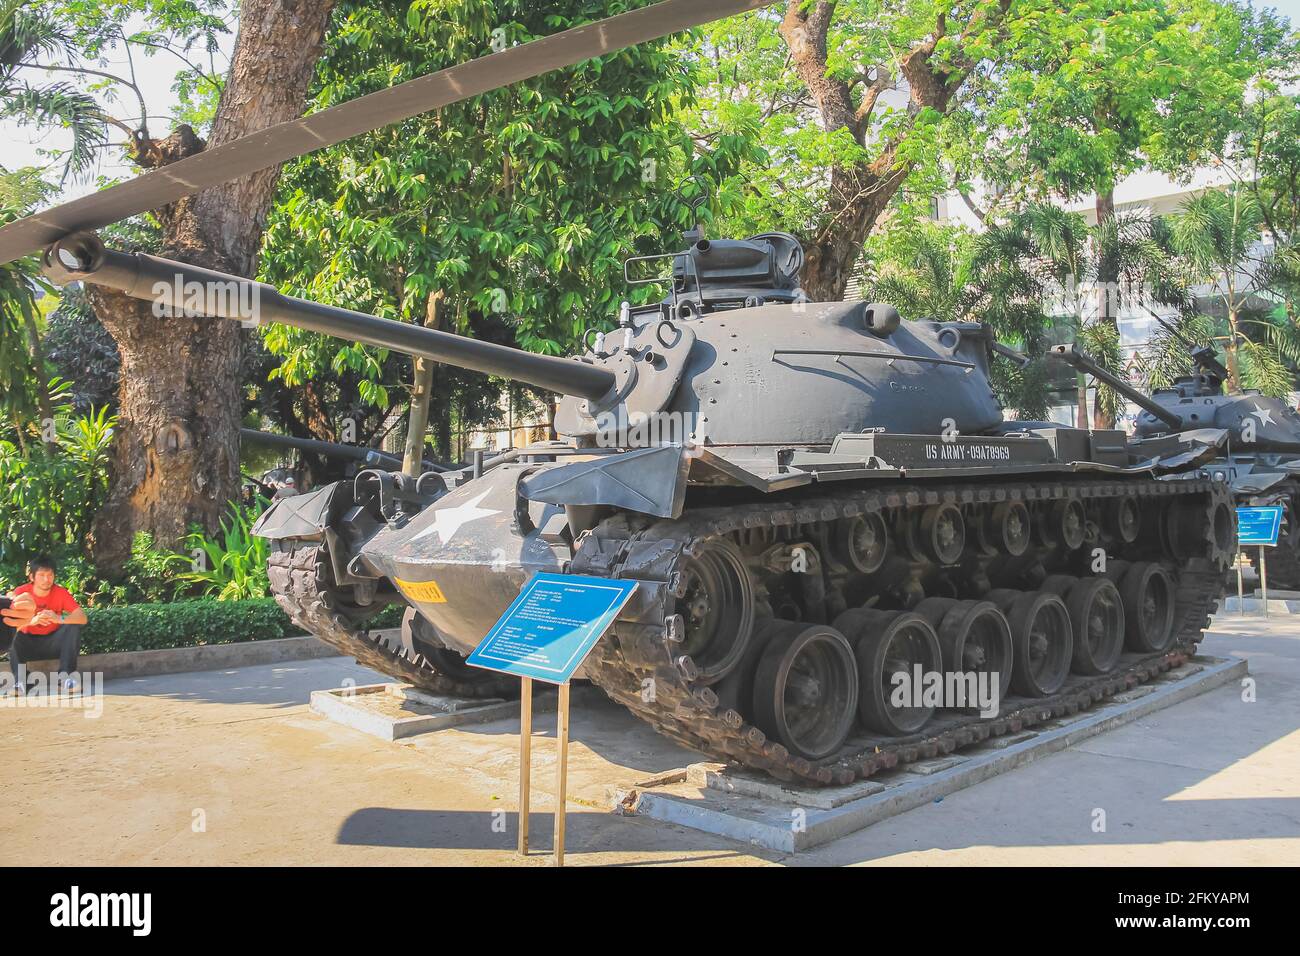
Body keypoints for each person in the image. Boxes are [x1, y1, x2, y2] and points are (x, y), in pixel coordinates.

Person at [6, 556, 87, 693]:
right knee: (11, 630)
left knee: (72, 626)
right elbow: (8, 619)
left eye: (50, 575)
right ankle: (21, 681)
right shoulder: (21, 592)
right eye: (42, 575)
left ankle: (65, 678)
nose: (46, 579)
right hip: (27, 644)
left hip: (52, 643)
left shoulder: (61, 592)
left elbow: (82, 618)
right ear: (32, 577)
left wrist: (58, 619)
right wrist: (31, 621)